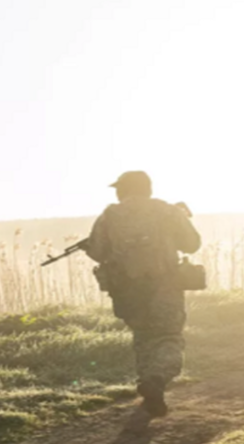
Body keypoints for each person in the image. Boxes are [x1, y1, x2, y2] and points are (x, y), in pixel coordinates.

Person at [85, 170, 202, 417]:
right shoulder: (168, 211)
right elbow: (191, 244)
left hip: (126, 289)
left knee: (143, 338)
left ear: (124, 190)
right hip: (165, 286)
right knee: (169, 337)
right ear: (148, 188)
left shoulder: (109, 215)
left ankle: (149, 388)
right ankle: (156, 379)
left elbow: (97, 251)